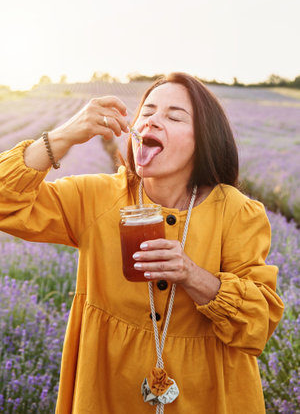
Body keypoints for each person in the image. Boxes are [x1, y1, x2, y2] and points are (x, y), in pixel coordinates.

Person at [0, 72, 284, 414]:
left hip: (210, 395)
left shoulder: (237, 213)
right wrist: (63, 136)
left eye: (174, 116)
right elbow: (6, 203)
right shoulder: (96, 198)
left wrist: (193, 275)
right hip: (107, 393)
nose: (153, 121)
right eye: (146, 112)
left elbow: (259, 323)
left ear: (205, 138)